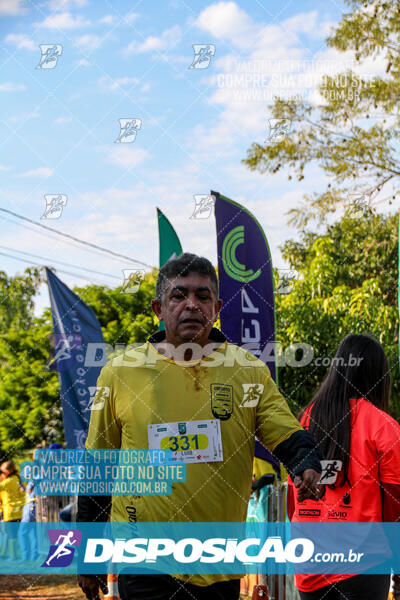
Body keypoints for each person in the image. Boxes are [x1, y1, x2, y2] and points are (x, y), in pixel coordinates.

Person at [77, 252, 323, 600]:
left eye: (202, 296)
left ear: (217, 306)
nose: (191, 304)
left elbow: (285, 433)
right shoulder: (120, 373)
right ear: (158, 308)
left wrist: (305, 462)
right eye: (179, 295)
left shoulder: (247, 371)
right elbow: (97, 467)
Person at [287, 333, 400, 600]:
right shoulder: (382, 427)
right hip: (365, 566)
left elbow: (294, 503)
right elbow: (394, 506)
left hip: (310, 567)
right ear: (376, 376)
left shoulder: (304, 419)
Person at [0, 460, 25, 560]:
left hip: (11, 512)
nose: (2, 473)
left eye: (3, 471)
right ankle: (15, 555)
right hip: (18, 511)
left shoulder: (9, 481)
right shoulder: (17, 479)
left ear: (8, 471)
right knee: (14, 534)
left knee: (12, 535)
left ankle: (14, 556)